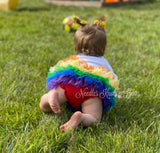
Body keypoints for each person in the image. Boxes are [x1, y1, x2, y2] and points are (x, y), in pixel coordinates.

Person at [39, 16, 119, 131]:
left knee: (45, 106)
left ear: (76, 46)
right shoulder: (103, 62)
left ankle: (49, 97)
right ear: (104, 48)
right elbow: (112, 81)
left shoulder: (74, 60)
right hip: (91, 90)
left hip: (69, 84)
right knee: (94, 117)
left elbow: (62, 72)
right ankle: (82, 117)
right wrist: (115, 94)